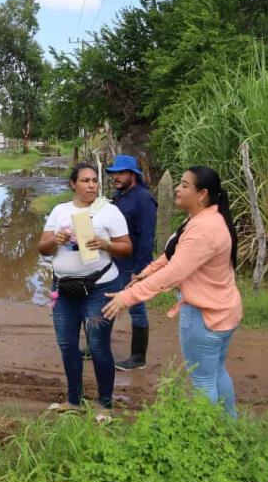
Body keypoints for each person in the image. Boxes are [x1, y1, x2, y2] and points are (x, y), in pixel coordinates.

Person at [103, 166, 242, 418]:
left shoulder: (203, 229)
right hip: (222, 310)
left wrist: (127, 297)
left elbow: (174, 272)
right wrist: (146, 272)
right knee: (216, 373)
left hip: (205, 316)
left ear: (202, 194)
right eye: (179, 183)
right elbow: (172, 254)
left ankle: (207, 438)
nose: (178, 188)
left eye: (185, 185)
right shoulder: (204, 218)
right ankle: (230, 425)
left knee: (202, 381)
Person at [37, 163, 132, 418]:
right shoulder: (59, 211)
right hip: (64, 289)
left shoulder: (109, 211)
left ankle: (105, 404)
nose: (92, 185)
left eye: (94, 181)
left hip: (100, 288)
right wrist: (54, 240)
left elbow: (126, 247)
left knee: (99, 346)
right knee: (67, 345)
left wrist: (105, 243)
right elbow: (42, 248)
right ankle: (74, 400)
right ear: (73, 184)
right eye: (85, 181)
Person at [106, 154, 157, 371]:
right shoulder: (119, 196)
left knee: (136, 308)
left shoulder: (143, 199)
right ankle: (95, 347)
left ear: (132, 175)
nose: (115, 177)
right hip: (114, 261)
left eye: (120, 173)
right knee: (104, 303)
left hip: (133, 264)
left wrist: (141, 272)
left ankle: (138, 357)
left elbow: (147, 238)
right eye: (114, 173)